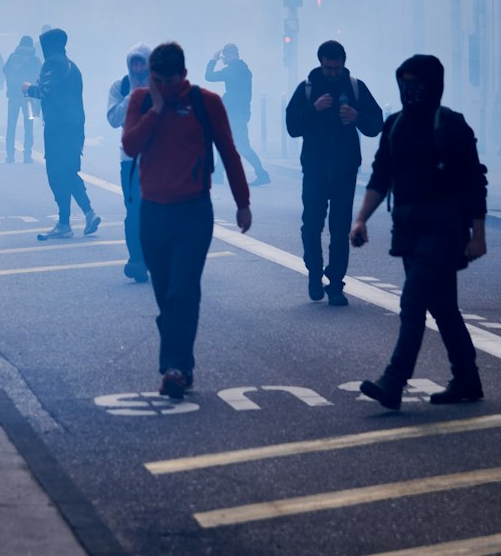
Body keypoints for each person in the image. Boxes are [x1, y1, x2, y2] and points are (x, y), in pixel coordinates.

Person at [351, 55, 487, 409]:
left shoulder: (451, 125)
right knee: (443, 307)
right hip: (408, 229)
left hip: (443, 229)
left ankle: (394, 382)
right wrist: (361, 218)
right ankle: (467, 379)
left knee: (413, 303)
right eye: (404, 82)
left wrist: (478, 234)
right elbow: (381, 176)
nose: (410, 91)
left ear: (433, 85)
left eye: (417, 83)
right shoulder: (394, 125)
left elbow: (474, 181)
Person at [122, 41, 251, 399]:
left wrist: (243, 202)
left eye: (168, 80)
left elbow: (228, 150)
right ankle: (182, 362)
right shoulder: (141, 101)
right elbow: (130, 146)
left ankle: (174, 369)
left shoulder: (204, 102)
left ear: (184, 75)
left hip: (193, 210)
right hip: (153, 211)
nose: (161, 86)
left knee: (183, 290)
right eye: (156, 79)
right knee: (166, 295)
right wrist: (156, 111)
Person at [285, 39, 383, 306]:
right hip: (315, 170)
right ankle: (314, 273)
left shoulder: (355, 88)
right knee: (312, 226)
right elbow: (292, 126)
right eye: (328, 68)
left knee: (340, 230)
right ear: (320, 63)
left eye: (336, 68)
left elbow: (377, 123)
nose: (332, 73)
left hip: (345, 170)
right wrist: (313, 109)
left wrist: (357, 117)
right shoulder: (306, 89)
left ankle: (336, 284)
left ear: (343, 64)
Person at [24, 27, 101, 241]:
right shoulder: (72, 66)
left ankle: (64, 223)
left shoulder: (53, 63)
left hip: (58, 128)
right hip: (75, 128)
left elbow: (43, 91)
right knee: (68, 171)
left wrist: (28, 88)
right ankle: (88, 212)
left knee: (56, 174)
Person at [107, 44, 151, 282]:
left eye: (142, 62)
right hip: (131, 160)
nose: (138, 68)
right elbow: (113, 119)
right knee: (134, 212)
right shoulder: (120, 86)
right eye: (134, 63)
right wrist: (131, 98)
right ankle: (137, 260)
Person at [204, 43, 269, 186]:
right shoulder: (245, 70)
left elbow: (208, 76)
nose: (223, 60)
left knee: (243, 146)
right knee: (225, 142)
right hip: (241, 113)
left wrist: (213, 60)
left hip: (234, 114)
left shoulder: (231, 70)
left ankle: (262, 174)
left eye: (224, 57)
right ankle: (218, 175)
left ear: (229, 55)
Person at [3, 35, 41, 164]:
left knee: (11, 125)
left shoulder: (13, 57)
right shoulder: (35, 60)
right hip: (28, 97)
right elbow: (39, 76)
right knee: (28, 126)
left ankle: (10, 155)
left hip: (13, 96)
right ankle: (27, 155)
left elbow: (5, 71)